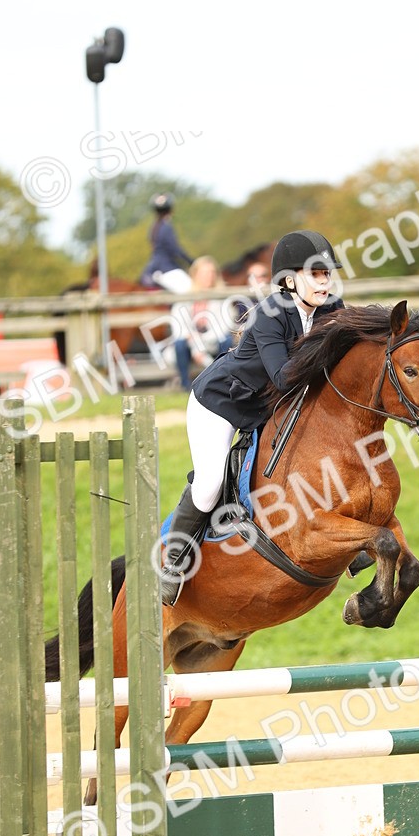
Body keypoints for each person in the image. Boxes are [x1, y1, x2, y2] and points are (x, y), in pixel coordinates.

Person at [159, 229, 343, 605]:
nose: (325, 281)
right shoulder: (270, 315)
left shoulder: (331, 309)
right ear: (290, 281)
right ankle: (173, 561)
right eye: (316, 274)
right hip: (221, 402)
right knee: (210, 483)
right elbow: (283, 377)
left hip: (266, 406)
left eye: (327, 274)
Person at [173, 256, 237, 392]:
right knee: (179, 344)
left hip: (213, 341)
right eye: (205, 273)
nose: (209, 277)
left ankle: (221, 381)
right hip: (191, 343)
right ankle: (185, 385)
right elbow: (179, 327)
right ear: (195, 275)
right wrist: (195, 345)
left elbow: (225, 326)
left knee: (226, 340)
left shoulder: (223, 297)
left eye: (212, 273)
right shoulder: (184, 297)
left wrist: (201, 342)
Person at [139, 193, 195, 292]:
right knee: (192, 290)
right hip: (166, 268)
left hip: (152, 267)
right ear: (171, 210)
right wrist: (192, 261)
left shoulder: (153, 227)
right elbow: (175, 250)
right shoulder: (166, 227)